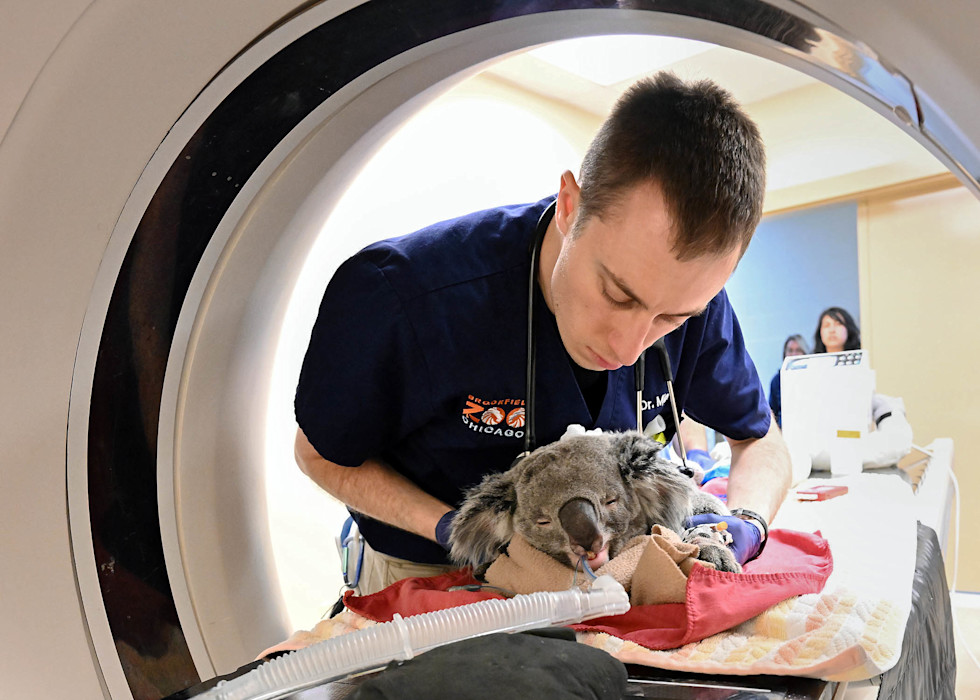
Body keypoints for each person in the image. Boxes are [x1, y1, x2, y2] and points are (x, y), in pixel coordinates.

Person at [294, 73, 792, 594]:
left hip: (618, 563)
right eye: (618, 294)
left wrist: (747, 524)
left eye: (670, 320)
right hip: (443, 571)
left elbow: (759, 437)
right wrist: (458, 533)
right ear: (570, 206)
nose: (627, 349)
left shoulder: (695, 303)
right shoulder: (402, 297)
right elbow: (318, 453)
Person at [769, 334, 809, 427]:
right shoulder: (776, 380)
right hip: (784, 429)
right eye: (790, 350)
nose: (793, 354)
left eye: (798, 350)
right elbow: (772, 411)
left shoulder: (813, 376)